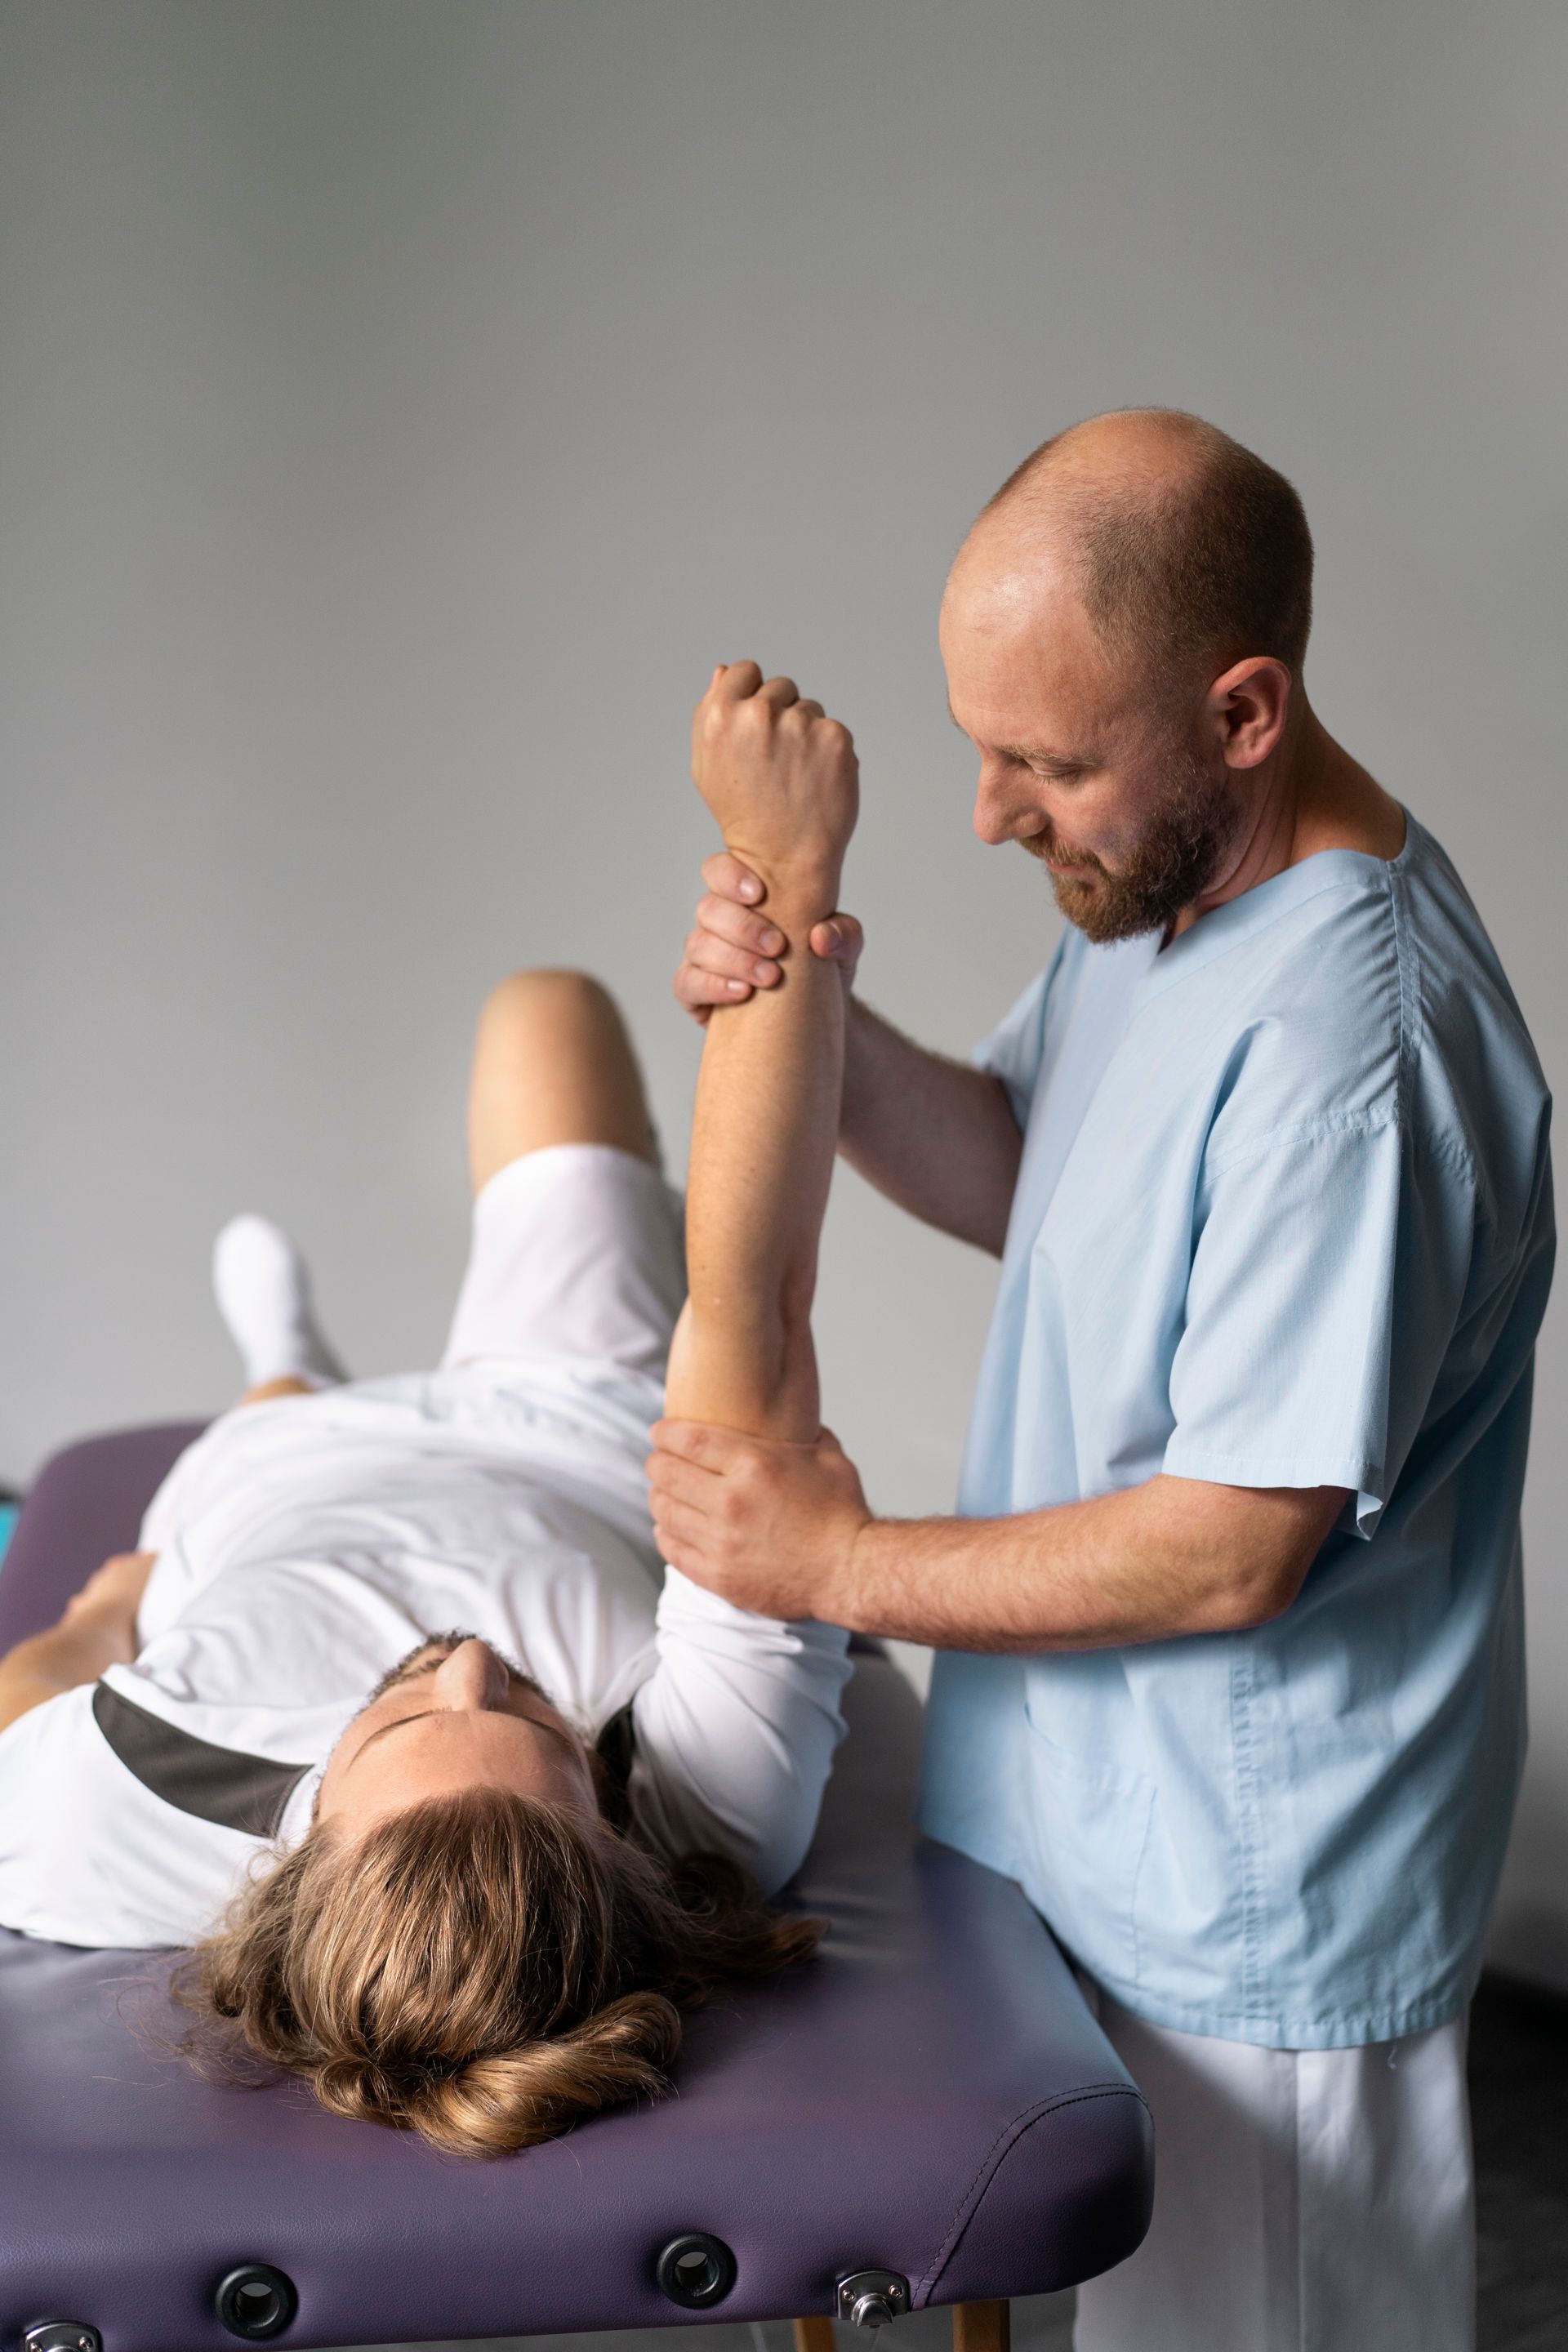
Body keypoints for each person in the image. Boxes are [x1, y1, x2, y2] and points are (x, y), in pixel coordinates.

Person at [662, 410, 1554, 2351]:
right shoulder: (1165, 905)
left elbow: (1238, 1548)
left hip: (1260, 1899)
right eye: (979, 745)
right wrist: (800, 967)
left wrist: (835, 1564)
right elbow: (1020, 1166)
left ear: (1246, 712)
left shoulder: (1356, 1049)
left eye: (1046, 763)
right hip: (1098, 1826)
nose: (991, 813)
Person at [0, 662, 862, 2159]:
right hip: (581, 1422)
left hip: (280, 1480)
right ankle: (301, 1360)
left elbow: (33, 1693)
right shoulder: (713, 1805)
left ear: (288, 1860)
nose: (468, 1664)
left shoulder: (106, 1819)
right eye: (533, 1713)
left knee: (270, 1418)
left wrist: (113, 1605)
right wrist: (788, 874)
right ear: (619, 1845)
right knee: (551, 1012)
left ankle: (284, 1355)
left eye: (402, 1712)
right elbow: (752, 1321)